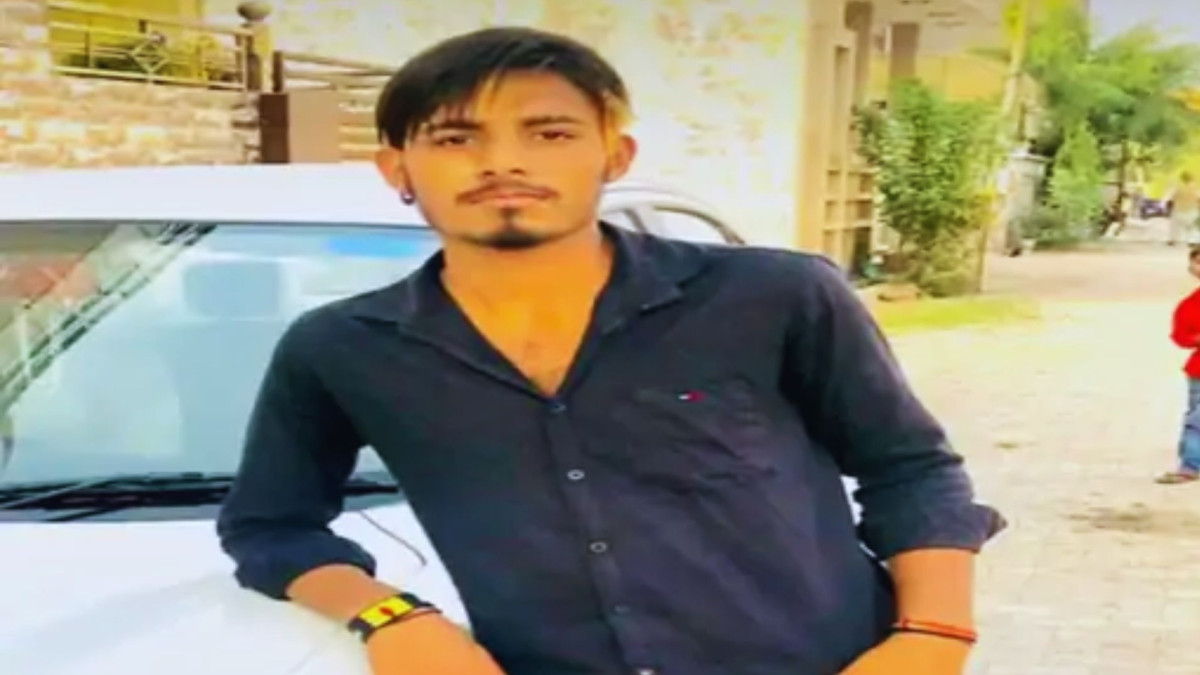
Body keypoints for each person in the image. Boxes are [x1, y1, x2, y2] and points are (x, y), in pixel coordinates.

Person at [216, 27, 1005, 675]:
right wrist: (392, 616)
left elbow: (911, 468)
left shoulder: (774, 296)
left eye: (550, 133)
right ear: (398, 169)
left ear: (614, 156)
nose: (503, 161)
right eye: (456, 137)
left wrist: (934, 637)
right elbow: (271, 528)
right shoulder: (343, 350)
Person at [1157, 245, 1200, 485]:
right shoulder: (1189, 305)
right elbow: (1180, 336)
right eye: (1198, 262)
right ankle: (1190, 465)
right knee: (1196, 418)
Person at [1165, 172, 1200, 246]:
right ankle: (1192, 241)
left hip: (1178, 209)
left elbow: (1171, 198)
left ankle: (1172, 240)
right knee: (1192, 227)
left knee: (1174, 226)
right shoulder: (1194, 188)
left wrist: (1169, 206)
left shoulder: (1178, 187)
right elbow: (1198, 198)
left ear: (1182, 179)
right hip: (1192, 210)